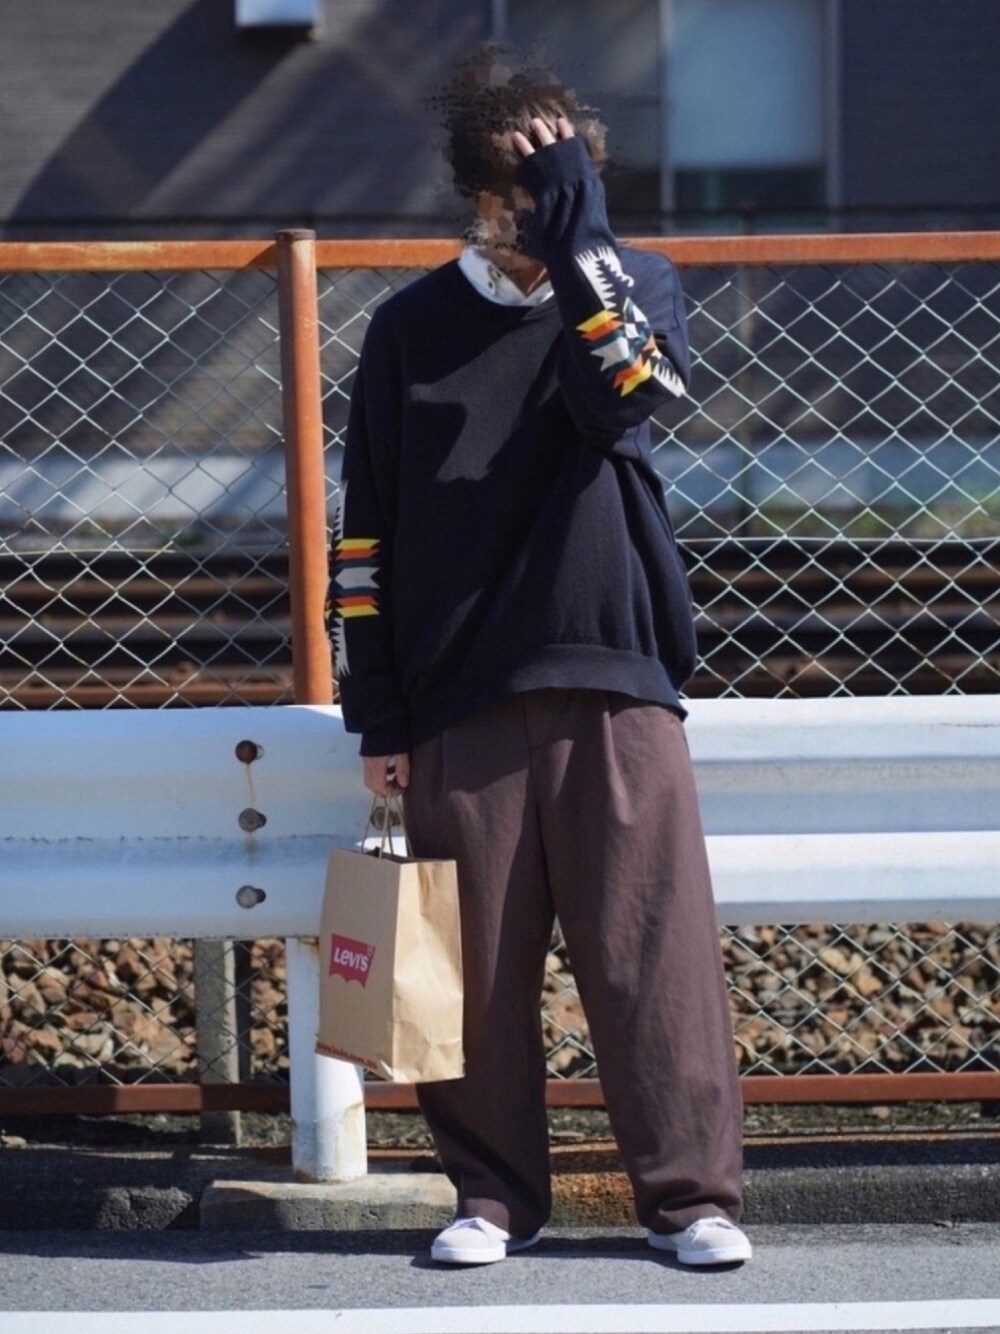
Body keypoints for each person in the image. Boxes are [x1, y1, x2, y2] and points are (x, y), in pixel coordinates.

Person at [328, 43, 749, 1268]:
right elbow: (365, 533)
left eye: (580, 189)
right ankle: (492, 1195)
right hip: (458, 688)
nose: (559, 211)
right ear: (482, 199)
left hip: (615, 671)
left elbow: (626, 392)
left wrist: (582, 248)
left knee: (653, 955)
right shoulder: (410, 327)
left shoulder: (630, 286)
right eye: (538, 194)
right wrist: (380, 715)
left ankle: (690, 1200)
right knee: (474, 965)